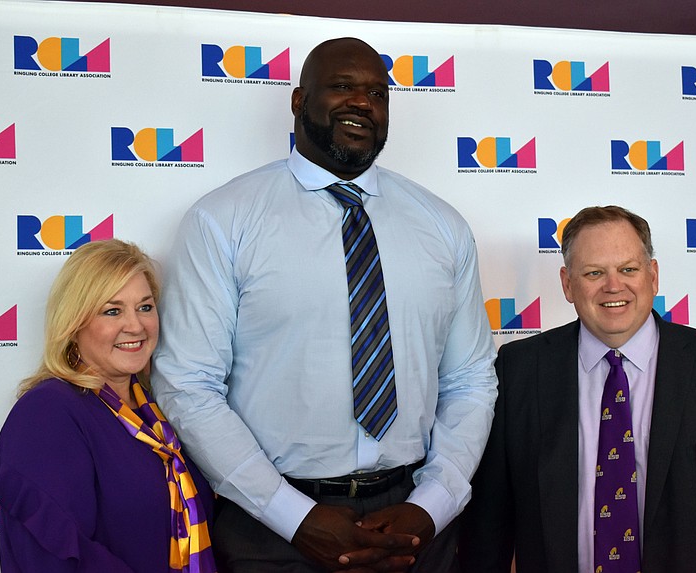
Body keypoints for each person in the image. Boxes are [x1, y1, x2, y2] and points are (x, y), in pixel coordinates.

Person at [151, 37, 498, 573]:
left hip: (412, 526)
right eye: (341, 87)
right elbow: (189, 385)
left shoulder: (443, 227)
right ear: (298, 101)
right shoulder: (223, 220)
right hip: (273, 531)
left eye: (378, 94)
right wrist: (293, 516)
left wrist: (430, 507)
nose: (362, 103)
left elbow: (470, 380)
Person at [458, 205, 696, 572]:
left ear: (653, 276)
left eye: (628, 269)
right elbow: (486, 530)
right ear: (567, 284)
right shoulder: (520, 368)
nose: (613, 286)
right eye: (594, 273)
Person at [0, 239, 216, 573]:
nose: (136, 326)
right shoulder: (47, 413)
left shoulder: (158, 411)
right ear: (74, 322)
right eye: (112, 310)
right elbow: (53, 559)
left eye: (145, 307)